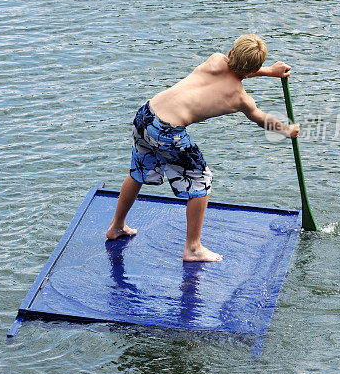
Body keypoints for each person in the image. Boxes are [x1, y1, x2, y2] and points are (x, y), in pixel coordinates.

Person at [105, 34, 300, 262]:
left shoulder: (215, 60)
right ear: (255, 66)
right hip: (168, 132)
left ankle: (116, 226)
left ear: (230, 53)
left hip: (146, 114)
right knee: (201, 179)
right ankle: (193, 248)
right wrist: (286, 130)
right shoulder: (240, 99)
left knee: (139, 170)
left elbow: (239, 69)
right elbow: (260, 118)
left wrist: (269, 71)